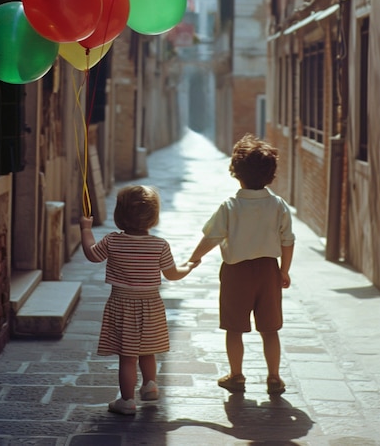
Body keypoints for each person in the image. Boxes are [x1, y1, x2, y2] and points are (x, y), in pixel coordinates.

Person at [189, 133, 295, 396]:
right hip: (269, 271)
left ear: (236, 172)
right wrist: (284, 270)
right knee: (270, 329)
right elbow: (288, 241)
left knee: (234, 328)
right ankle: (274, 377)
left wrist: (194, 258)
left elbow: (211, 237)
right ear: (271, 174)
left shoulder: (230, 206)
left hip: (236, 273)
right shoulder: (278, 205)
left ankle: (236, 375)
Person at [80, 184, 197, 415]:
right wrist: (189, 266)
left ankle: (127, 401)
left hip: (122, 305)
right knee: (148, 350)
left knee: (127, 356)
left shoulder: (113, 241)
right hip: (151, 305)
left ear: (119, 215)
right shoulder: (160, 245)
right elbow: (172, 274)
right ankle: (150, 385)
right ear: (154, 217)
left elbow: (92, 255)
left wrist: (85, 229)